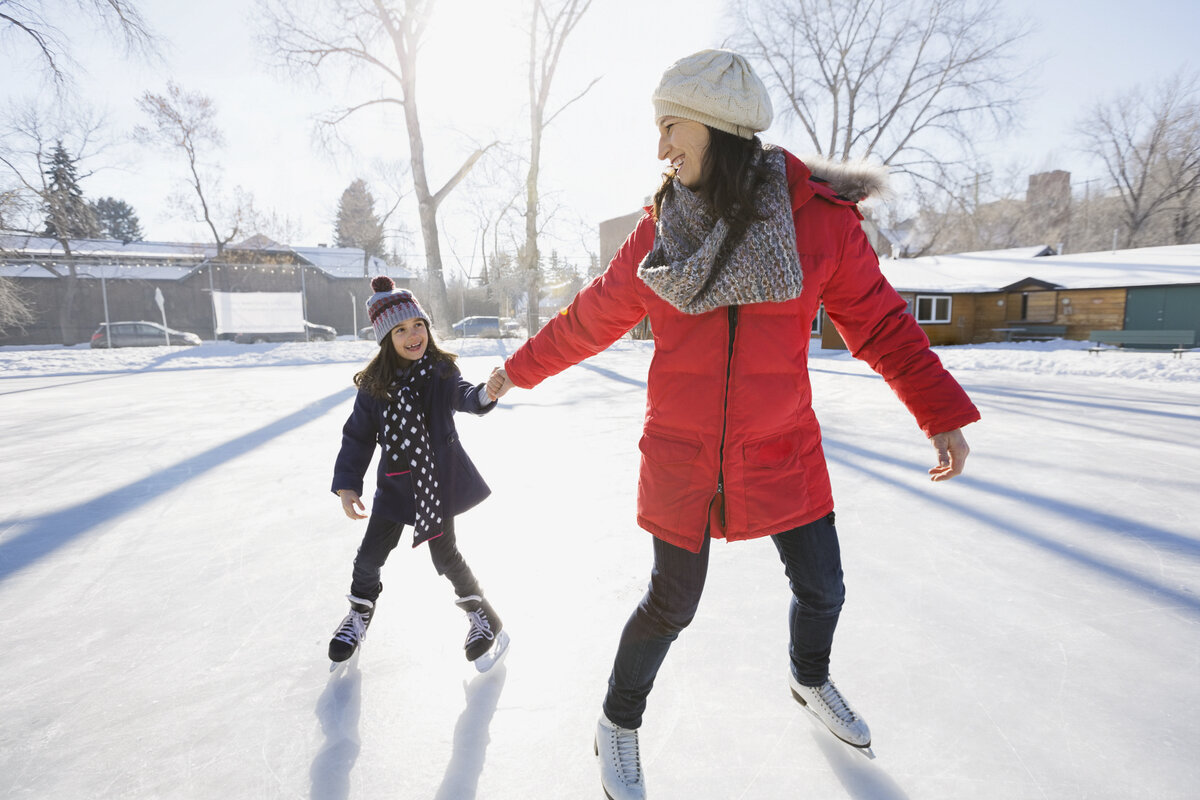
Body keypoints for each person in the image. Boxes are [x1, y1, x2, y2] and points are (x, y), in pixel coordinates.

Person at [487, 49, 979, 799]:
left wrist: (938, 411)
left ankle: (809, 680)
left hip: (782, 447)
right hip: (684, 455)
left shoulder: (819, 225)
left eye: (671, 126)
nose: (660, 148)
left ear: (717, 127)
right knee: (670, 603)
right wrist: (512, 371)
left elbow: (880, 324)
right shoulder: (660, 236)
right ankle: (617, 724)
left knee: (825, 589)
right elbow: (589, 319)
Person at [328, 276, 507, 670]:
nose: (413, 336)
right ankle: (359, 613)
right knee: (369, 557)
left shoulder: (440, 372)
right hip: (394, 490)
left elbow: (464, 396)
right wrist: (347, 485)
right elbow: (358, 436)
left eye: (418, 325)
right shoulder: (376, 386)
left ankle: (483, 615)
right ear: (385, 338)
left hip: (435, 486)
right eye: (401, 330)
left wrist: (487, 393)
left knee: (446, 559)